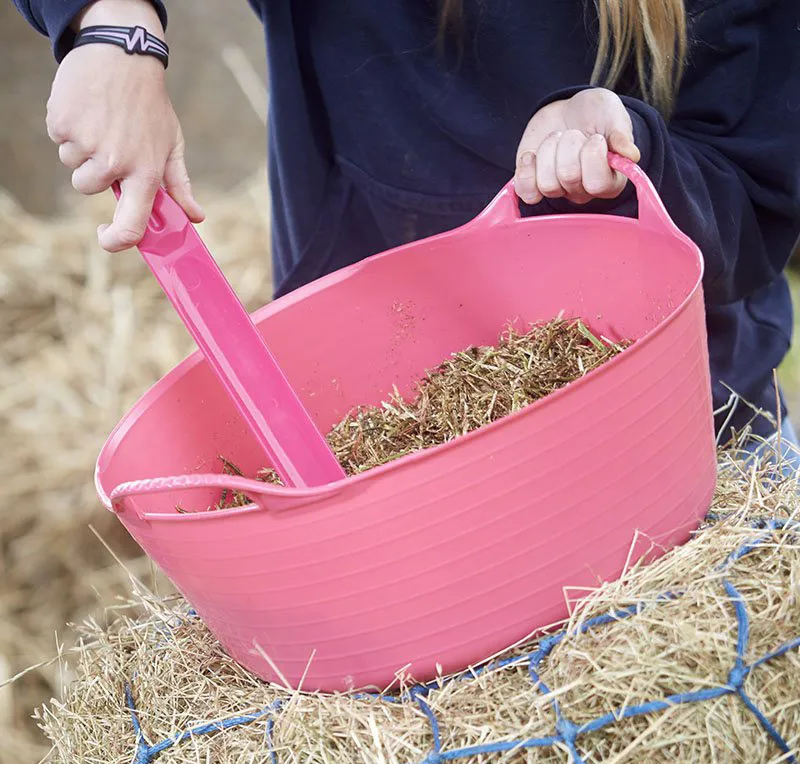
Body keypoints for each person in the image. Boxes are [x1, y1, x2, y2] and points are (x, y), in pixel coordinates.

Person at [11, 0, 800, 466]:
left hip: (682, 446)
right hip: (385, 445)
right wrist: (113, 29)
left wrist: (632, 143)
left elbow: (755, 201)